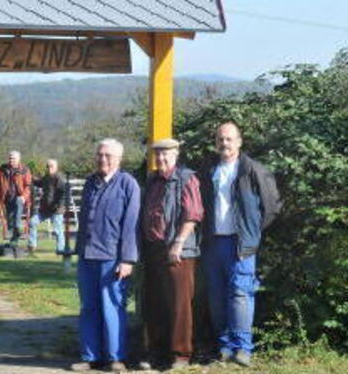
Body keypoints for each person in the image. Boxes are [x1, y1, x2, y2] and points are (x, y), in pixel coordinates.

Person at [199, 121, 281, 366]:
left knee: (241, 294)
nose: (224, 143)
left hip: (241, 244)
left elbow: (272, 206)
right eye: (220, 139)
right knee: (216, 296)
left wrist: (252, 233)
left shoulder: (252, 170)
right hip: (213, 242)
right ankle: (224, 347)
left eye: (229, 139)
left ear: (239, 141)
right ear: (216, 143)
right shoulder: (209, 170)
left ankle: (243, 348)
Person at [71, 139, 141, 372]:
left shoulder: (128, 184)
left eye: (108, 155)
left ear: (119, 159)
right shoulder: (91, 183)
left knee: (112, 307)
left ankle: (115, 358)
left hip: (113, 258)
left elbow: (131, 225)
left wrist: (127, 259)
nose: (102, 159)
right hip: (87, 256)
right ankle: (90, 356)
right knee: (88, 307)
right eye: (100, 154)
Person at [140, 138, 204, 370]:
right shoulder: (152, 181)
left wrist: (178, 242)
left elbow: (193, 214)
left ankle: (180, 355)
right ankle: (155, 352)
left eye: (165, 154)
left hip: (179, 251)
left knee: (179, 304)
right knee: (154, 303)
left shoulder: (187, 178)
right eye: (157, 155)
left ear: (176, 154)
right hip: (153, 249)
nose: (161, 158)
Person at [0, 150, 32, 247]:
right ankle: (14, 238)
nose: (11, 160)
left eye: (13, 158)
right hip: (7, 198)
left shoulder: (24, 170)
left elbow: (28, 186)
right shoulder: (3, 168)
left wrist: (24, 197)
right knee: (9, 220)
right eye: (10, 158)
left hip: (20, 198)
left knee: (17, 210)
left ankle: (17, 229)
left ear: (18, 159)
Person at [27, 159, 67, 254]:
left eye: (52, 166)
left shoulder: (59, 179)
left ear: (56, 167)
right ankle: (32, 245)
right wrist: (30, 177)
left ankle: (60, 250)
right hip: (45, 209)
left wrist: (59, 205)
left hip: (56, 210)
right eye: (48, 166)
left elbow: (65, 193)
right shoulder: (46, 178)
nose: (49, 168)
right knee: (32, 222)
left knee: (58, 231)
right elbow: (39, 183)